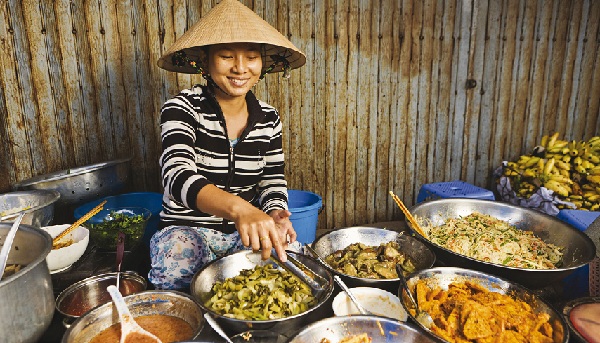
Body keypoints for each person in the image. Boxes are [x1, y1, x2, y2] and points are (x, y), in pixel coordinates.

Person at [150, 0, 307, 290]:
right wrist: (241, 210)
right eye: (225, 56)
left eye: (251, 57)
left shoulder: (269, 118)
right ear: (205, 61)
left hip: (242, 233)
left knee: (291, 264)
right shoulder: (181, 108)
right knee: (179, 272)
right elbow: (176, 175)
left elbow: (272, 179)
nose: (240, 68)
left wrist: (275, 213)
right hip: (187, 230)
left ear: (262, 63)